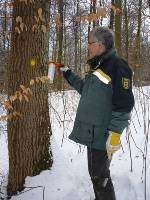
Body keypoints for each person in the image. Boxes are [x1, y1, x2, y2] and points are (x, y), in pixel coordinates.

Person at [58, 27, 134, 200]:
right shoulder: (98, 66)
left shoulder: (117, 66)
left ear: (100, 45)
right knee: (98, 175)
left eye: (90, 43)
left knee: (100, 178)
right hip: (93, 133)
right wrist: (68, 73)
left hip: (102, 135)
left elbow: (125, 103)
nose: (88, 46)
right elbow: (86, 89)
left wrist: (114, 134)